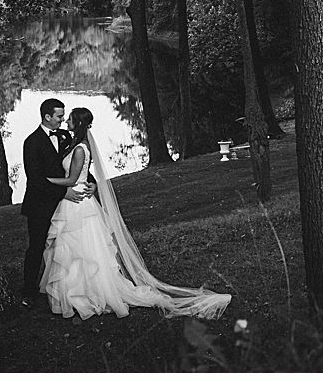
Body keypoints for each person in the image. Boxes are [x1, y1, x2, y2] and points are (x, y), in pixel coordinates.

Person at [39, 107, 231, 320]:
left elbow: (73, 180)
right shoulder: (75, 143)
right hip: (77, 200)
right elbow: (82, 175)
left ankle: (90, 293)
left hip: (78, 203)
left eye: (71, 119)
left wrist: (42, 181)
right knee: (79, 251)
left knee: (83, 250)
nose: (66, 122)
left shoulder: (80, 149)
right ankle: (80, 291)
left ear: (79, 123)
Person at [20, 98, 95, 309]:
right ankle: (29, 290)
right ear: (47, 117)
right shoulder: (31, 142)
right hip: (40, 203)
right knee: (36, 246)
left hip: (64, 204)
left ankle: (65, 287)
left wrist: (93, 184)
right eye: (60, 116)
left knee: (64, 246)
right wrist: (64, 191)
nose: (63, 120)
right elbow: (34, 179)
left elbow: (80, 167)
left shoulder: (64, 137)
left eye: (64, 116)